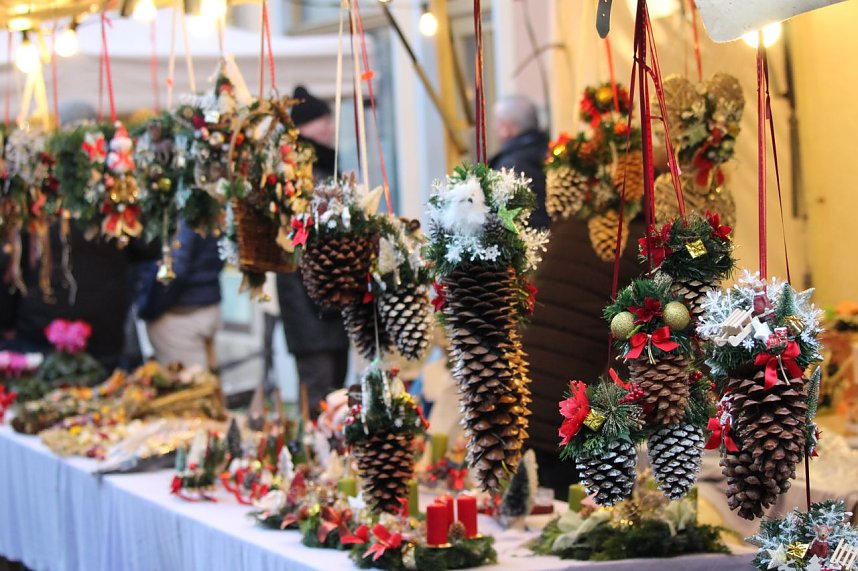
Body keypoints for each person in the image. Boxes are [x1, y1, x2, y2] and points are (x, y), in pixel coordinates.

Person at [522, 216, 644, 499]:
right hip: (571, 421)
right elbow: (629, 353)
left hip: (527, 400)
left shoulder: (568, 225)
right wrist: (599, 421)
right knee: (570, 512)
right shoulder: (643, 247)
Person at [275, 85, 350, 418]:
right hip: (310, 306)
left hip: (329, 305)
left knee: (334, 399)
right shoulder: (297, 176)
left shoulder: (324, 168)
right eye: (323, 120)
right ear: (304, 127)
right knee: (321, 403)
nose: (330, 127)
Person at [137, 219, 223, 370]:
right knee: (206, 378)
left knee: (189, 380)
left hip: (182, 316)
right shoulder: (208, 214)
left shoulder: (187, 217)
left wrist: (149, 308)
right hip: (203, 306)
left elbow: (176, 269)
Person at [489, 95, 550, 229]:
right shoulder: (548, 151)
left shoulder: (510, 166)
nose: (494, 128)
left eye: (497, 123)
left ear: (507, 127)